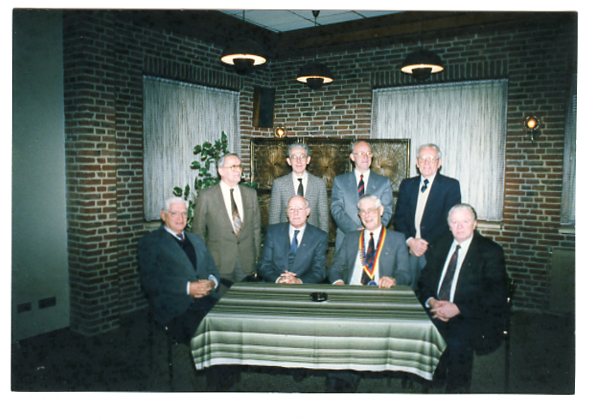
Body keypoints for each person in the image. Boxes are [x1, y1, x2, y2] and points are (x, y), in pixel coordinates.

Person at [416, 203, 508, 393]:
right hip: (436, 307)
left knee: (458, 341)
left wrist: (458, 308)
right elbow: (424, 280)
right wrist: (431, 301)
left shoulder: (490, 251)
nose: (459, 227)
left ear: (474, 224)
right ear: (448, 225)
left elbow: (496, 294)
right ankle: (434, 377)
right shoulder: (440, 244)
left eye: (465, 221)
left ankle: (457, 389)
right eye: (454, 222)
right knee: (415, 330)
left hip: (470, 313)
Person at [139, 196, 220, 343]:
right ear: (163, 215)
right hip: (176, 307)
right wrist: (187, 288)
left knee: (231, 321)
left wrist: (212, 283)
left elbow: (212, 270)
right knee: (210, 335)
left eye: (184, 213)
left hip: (207, 301)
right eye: (174, 213)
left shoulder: (196, 240)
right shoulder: (151, 242)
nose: (180, 218)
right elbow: (149, 281)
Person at [393, 143, 461, 287]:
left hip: (435, 249)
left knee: (430, 292)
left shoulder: (451, 186)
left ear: (439, 163)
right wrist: (411, 241)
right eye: (422, 159)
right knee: (407, 290)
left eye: (431, 159)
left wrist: (424, 243)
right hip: (409, 249)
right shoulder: (407, 184)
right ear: (417, 163)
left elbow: (449, 221)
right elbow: (399, 217)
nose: (426, 163)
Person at [192, 153, 261, 283]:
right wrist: (203, 263)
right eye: (233, 166)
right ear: (221, 171)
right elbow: (198, 233)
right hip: (218, 264)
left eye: (239, 166)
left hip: (246, 263)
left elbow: (256, 229)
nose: (238, 170)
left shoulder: (251, 194)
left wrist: (256, 257)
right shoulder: (206, 196)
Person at [329, 194, 412, 288]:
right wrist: (338, 282)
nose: (367, 215)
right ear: (359, 215)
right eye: (363, 211)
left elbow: (405, 274)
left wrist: (393, 281)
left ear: (381, 210)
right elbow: (335, 268)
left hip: (382, 292)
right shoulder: (350, 238)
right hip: (352, 291)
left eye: (371, 210)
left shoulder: (397, 239)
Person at [331, 140, 393, 250]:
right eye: (361, 153)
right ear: (352, 157)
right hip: (347, 239)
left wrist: (372, 231)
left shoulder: (383, 182)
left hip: (374, 241)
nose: (365, 157)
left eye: (368, 153)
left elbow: (387, 211)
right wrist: (355, 231)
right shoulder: (340, 181)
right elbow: (336, 209)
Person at [259, 195, 328, 284]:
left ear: (307, 211)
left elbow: (319, 271)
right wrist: (279, 279)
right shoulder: (273, 232)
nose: (295, 213)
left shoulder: (319, 237)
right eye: (291, 209)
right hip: (274, 285)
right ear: (287, 212)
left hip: (304, 287)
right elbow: (264, 265)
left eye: (300, 209)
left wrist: (298, 281)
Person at [269, 143, 329, 233]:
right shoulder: (279, 184)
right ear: (289, 161)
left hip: (312, 237)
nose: (298, 161)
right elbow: (274, 217)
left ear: (308, 160)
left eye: (302, 156)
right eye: (294, 157)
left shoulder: (319, 184)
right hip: (285, 237)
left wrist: (323, 239)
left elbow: (323, 217)